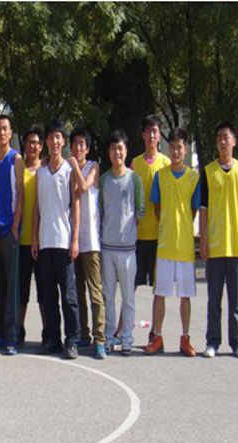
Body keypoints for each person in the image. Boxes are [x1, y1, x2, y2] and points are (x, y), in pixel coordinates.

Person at [144, 128, 200, 357]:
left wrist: (182, 224)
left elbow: (194, 210)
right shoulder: (161, 176)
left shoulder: (194, 177)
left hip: (185, 246)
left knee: (185, 296)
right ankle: (157, 337)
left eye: (179, 147)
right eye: (172, 147)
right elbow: (157, 208)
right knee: (160, 293)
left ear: (185, 150)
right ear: (168, 149)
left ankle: (185, 338)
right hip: (165, 245)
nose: (175, 151)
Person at [199, 122, 238, 359]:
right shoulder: (208, 171)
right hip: (216, 244)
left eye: (226, 137)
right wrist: (203, 240)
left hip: (236, 245)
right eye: (219, 137)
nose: (223, 141)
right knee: (214, 300)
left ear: (234, 141)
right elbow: (204, 208)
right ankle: (212, 342)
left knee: (236, 300)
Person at [31, 120, 81, 359]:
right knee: (49, 296)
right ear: (47, 142)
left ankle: (72, 340)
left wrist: (75, 239)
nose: (54, 141)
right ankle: (53, 339)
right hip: (45, 242)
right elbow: (37, 209)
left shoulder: (69, 170)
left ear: (63, 141)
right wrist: (34, 238)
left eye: (58, 137)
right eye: (50, 137)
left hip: (64, 241)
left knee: (69, 296)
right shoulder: (40, 171)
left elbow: (76, 205)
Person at [99, 129, 145, 356]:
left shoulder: (134, 179)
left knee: (128, 297)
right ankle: (109, 337)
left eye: (120, 148)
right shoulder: (104, 180)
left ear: (126, 151)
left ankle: (126, 338)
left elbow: (140, 212)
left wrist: (128, 232)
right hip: (107, 248)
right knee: (108, 296)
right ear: (108, 152)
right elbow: (100, 212)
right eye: (113, 148)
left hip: (128, 249)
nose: (117, 152)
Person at [130, 115, 171, 343]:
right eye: (148, 131)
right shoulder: (134, 164)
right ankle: (124, 331)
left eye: (155, 131)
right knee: (131, 287)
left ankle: (156, 333)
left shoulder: (166, 164)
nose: (152, 135)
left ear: (159, 135)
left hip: (159, 237)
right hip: (137, 237)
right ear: (143, 135)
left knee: (159, 289)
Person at [67, 126, 107, 359]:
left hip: (91, 241)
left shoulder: (93, 166)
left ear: (88, 148)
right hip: (73, 240)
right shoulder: (69, 168)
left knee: (95, 292)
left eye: (82, 144)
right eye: (75, 144)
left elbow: (83, 187)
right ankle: (84, 334)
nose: (78, 148)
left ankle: (99, 338)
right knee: (78, 292)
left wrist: (74, 166)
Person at [0, 114, 24, 355]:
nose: (1, 132)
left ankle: (11, 336)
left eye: (5, 129)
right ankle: (0, 333)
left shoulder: (16, 159)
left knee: (12, 286)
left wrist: (15, 225)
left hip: (10, 230)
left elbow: (20, 194)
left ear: (10, 133)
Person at [17, 126, 45, 347]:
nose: (32, 146)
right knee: (21, 292)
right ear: (24, 145)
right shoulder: (19, 170)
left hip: (44, 241)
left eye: (36, 142)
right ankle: (18, 330)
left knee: (44, 292)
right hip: (21, 240)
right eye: (29, 142)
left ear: (41, 146)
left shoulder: (46, 170)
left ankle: (48, 332)